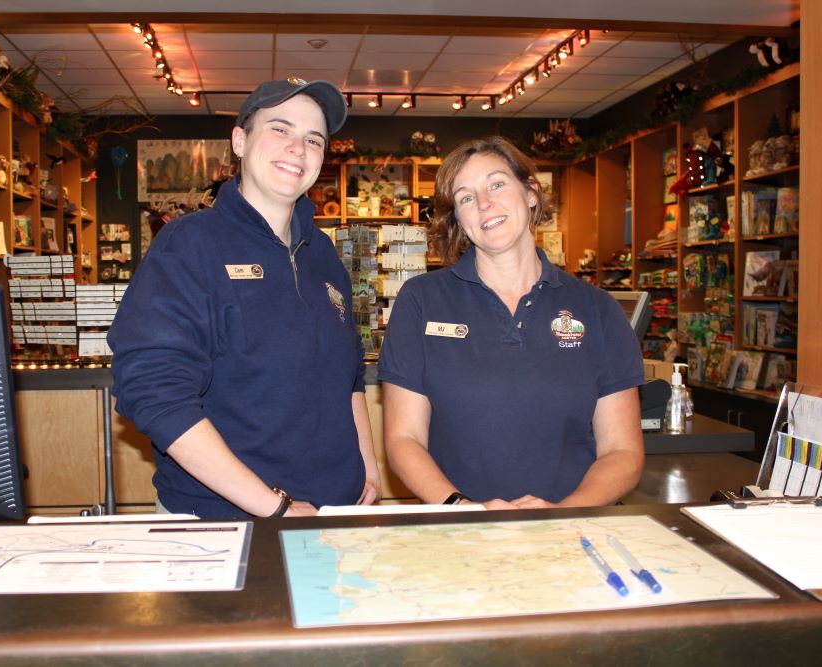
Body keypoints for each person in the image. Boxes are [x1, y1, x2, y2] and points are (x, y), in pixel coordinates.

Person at [108, 78, 381, 519]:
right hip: (220, 520)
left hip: (331, 514)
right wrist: (274, 507)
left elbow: (348, 375)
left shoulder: (325, 254)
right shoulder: (188, 245)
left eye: (314, 139)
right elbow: (154, 393)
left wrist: (366, 465)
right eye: (280, 129)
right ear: (239, 140)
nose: (298, 148)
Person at [378, 136, 644, 510]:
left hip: (571, 535)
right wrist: (461, 508)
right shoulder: (421, 301)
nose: (484, 203)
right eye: (466, 197)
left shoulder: (596, 309)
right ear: (458, 217)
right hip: (460, 535)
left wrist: (560, 515)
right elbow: (404, 440)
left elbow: (623, 451)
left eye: (497, 184)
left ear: (531, 192)